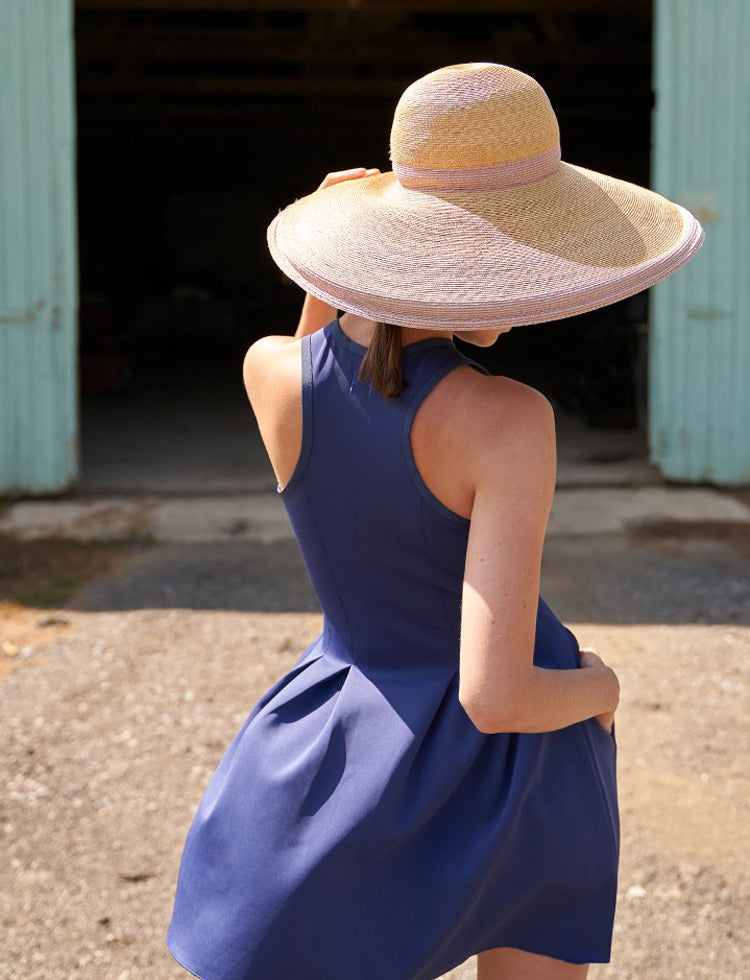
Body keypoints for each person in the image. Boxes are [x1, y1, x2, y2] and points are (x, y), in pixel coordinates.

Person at [166, 63, 704, 980]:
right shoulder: (505, 421)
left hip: (339, 742)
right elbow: (495, 698)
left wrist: (339, 266)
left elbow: (322, 369)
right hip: (519, 769)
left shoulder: (272, 377)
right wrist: (604, 689)